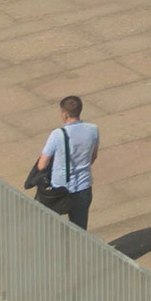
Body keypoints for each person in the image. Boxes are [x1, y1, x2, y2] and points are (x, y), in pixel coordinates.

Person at [26, 95, 96, 231]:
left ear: (64, 114)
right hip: (83, 187)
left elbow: (42, 164)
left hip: (59, 189)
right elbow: (93, 157)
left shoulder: (58, 134)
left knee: (47, 226)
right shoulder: (93, 130)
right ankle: (78, 251)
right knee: (80, 230)